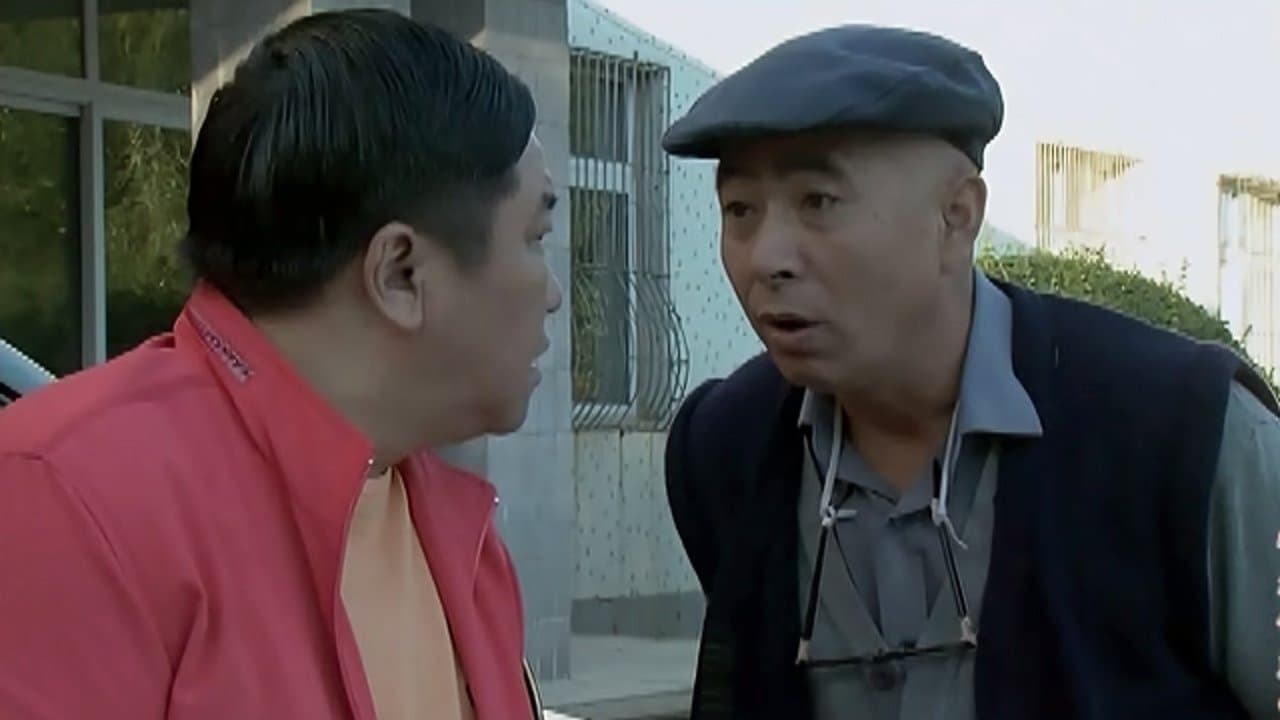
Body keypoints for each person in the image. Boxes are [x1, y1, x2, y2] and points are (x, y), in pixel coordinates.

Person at [661, 24, 1280, 720]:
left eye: (818, 202)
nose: (765, 257)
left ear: (957, 218)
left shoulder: (1190, 438)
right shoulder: (725, 449)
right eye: (740, 210)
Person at [0, 9, 559, 720]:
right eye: (536, 237)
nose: (553, 293)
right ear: (400, 273)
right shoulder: (68, 503)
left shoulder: (462, 538)